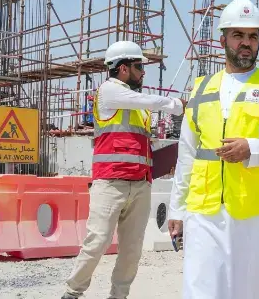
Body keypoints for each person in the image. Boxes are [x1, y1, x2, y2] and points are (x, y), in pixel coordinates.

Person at [167, 0, 259, 299]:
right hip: (205, 213)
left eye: (253, 36)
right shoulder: (202, 88)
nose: (247, 43)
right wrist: (177, 209)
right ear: (223, 40)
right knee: (203, 291)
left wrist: (253, 149)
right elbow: (187, 155)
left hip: (258, 214)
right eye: (239, 35)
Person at [61, 40, 186, 299]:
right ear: (123, 68)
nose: (143, 73)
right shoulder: (109, 91)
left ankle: (119, 296)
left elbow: (137, 145)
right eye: (139, 66)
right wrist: (176, 104)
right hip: (110, 182)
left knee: (132, 250)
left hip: (140, 184)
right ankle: (72, 293)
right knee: (97, 242)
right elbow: (150, 102)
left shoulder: (138, 109)